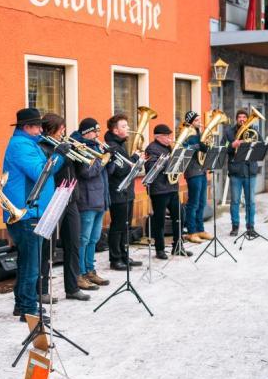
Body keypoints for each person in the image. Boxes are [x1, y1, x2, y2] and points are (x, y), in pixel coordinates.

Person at [2, 108, 67, 322]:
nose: (41, 130)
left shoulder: (30, 143)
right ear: (26, 127)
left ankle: (22, 304)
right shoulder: (21, 145)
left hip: (34, 210)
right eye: (38, 127)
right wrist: (59, 155)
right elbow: (40, 172)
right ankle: (29, 309)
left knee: (27, 262)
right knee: (31, 265)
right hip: (28, 212)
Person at [38, 114, 90, 301]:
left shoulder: (65, 144)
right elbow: (47, 171)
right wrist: (60, 154)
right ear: (51, 129)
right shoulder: (43, 147)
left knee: (73, 243)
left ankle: (72, 287)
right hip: (53, 200)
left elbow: (81, 171)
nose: (63, 132)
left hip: (71, 198)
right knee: (48, 247)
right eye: (61, 129)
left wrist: (79, 156)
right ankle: (42, 290)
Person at [71, 118, 111, 289]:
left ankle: (90, 270)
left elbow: (107, 172)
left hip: (100, 199)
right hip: (87, 200)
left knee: (94, 239)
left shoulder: (95, 147)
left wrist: (109, 158)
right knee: (84, 239)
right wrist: (103, 160)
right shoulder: (80, 148)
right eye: (95, 131)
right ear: (86, 132)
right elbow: (86, 172)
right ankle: (80, 273)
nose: (98, 135)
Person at [144, 124, 191, 259]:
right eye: (166, 136)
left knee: (180, 216)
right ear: (158, 137)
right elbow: (150, 167)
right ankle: (159, 249)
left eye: (169, 135)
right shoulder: (151, 149)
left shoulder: (168, 147)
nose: (169, 138)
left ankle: (178, 246)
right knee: (159, 221)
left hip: (172, 187)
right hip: (159, 190)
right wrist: (170, 160)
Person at [105, 114, 143, 271]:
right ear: (115, 130)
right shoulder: (111, 146)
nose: (128, 128)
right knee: (118, 226)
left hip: (127, 191)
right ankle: (115, 259)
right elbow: (120, 170)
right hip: (117, 192)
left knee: (126, 226)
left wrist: (137, 160)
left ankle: (124, 255)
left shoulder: (121, 144)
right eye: (124, 126)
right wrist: (135, 158)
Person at [223, 109, 259, 237]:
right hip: (236, 172)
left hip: (250, 170)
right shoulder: (229, 132)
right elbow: (223, 147)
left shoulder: (254, 131)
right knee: (235, 201)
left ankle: (250, 227)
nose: (242, 119)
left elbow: (260, 146)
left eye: (244, 117)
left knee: (251, 202)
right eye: (240, 117)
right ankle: (235, 226)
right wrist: (232, 145)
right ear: (236, 119)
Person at [182, 112, 211, 243]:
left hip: (202, 170)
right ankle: (191, 232)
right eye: (197, 120)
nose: (200, 122)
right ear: (191, 122)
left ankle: (200, 229)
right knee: (193, 203)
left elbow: (204, 149)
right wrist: (197, 145)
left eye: (199, 119)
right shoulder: (186, 133)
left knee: (202, 202)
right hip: (192, 171)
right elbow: (183, 148)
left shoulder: (200, 133)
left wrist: (206, 145)